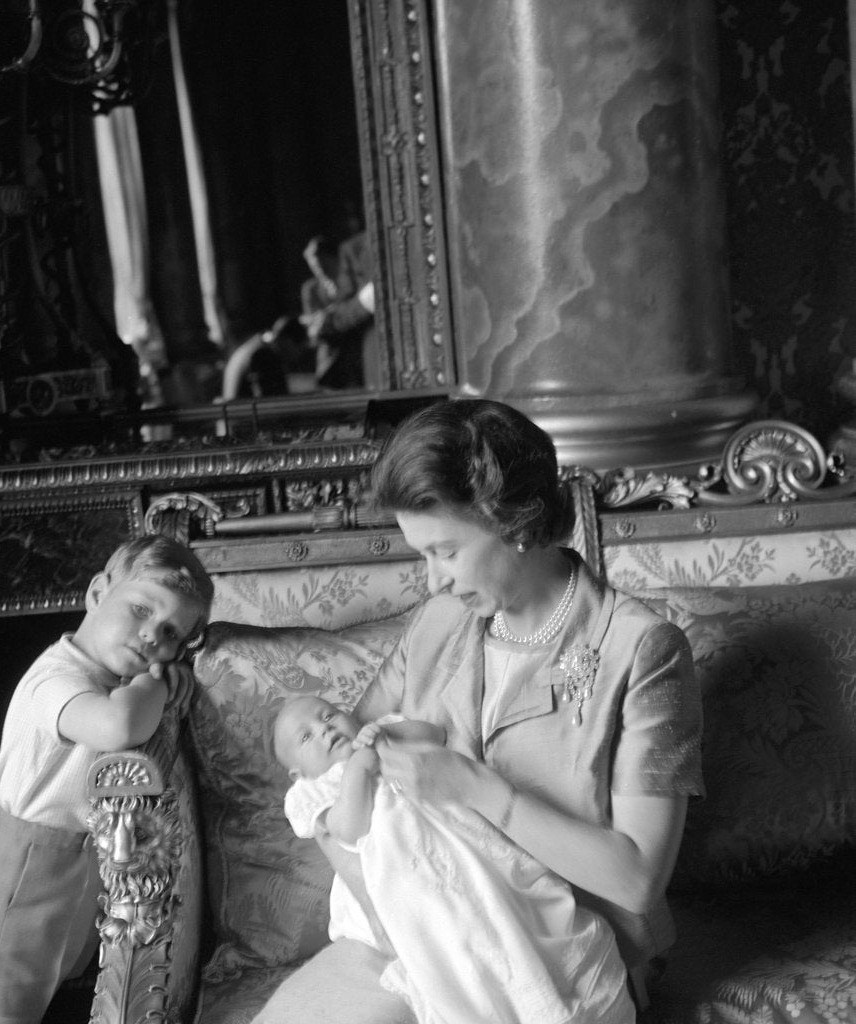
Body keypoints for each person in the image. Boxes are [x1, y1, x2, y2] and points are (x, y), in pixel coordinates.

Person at [254, 398, 703, 1024]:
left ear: (514, 521)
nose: (432, 579)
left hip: (562, 956)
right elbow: (328, 787)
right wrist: (402, 923)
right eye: (421, 554)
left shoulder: (640, 650)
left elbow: (635, 879)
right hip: (424, 932)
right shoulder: (439, 622)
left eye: (445, 551)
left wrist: (474, 788)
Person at [0, 535, 214, 1024]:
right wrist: (153, 683)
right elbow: (118, 727)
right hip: (19, 877)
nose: (154, 637)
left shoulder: (111, 681)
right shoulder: (57, 678)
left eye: (172, 634)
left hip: (67, 870)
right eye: (140, 609)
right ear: (96, 594)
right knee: (0, 1010)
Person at [273, 695, 634, 1024]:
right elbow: (347, 830)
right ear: (297, 773)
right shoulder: (315, 789)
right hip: (402, 877)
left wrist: (388, 733)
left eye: (328, 715)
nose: (323, 729)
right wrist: (358, 771)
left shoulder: (382, 732)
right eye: (305, 737)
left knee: (504, 909)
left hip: (462, 849)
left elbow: (434, 733)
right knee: (451, 943)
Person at [300, 233, 377, 390]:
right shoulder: (312, 289)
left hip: (358, 343)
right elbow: (314, 324)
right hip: (334, 351)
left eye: (323, 264)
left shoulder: (351, 276)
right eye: (314, 266)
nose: (320, 270)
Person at [220, 314, 313, 400]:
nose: (298, 356)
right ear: (288, 341)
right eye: (299, 349)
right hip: (245, 416)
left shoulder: (256, 345)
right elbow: (268, 402)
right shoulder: (263, 355)